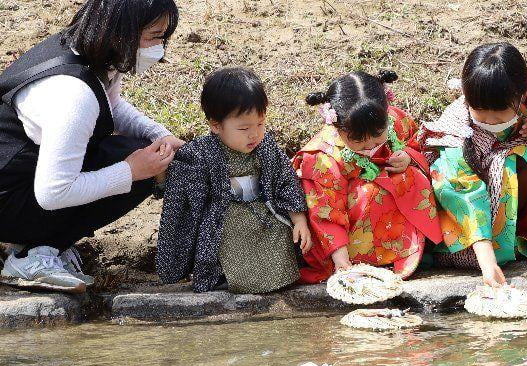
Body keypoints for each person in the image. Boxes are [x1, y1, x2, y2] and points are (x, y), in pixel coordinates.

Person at [0, 0, 183, 293]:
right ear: (123, 31)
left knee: (141, 149)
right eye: (156, 36)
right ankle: (32, 253)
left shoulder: (91, 51)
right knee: (137, 164)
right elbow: (52, 193)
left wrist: (158, 135)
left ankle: (35, 238)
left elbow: (111, 105)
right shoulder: (74, 95)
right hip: (10, 198)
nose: (160, 48)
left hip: (21, 177)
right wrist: (131, 171)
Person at [419, 42, 527, 287]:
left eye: (499, 113)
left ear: (521, 95)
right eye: (480, 111)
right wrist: (486, 260)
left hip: (516, 192)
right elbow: (461, 192)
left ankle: (523, 238)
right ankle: (496, 245)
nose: (489, 120)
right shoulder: (457, 130)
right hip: (474, 222)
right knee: (505, 164)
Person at [156, 67, 311, 294]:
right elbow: (182, 192)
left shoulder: (266, 145)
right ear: (216, 125)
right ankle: (227, 277)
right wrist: (162, 175)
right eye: (243, 128)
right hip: (224, 216)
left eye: (260, 124)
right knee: (228, 237)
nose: (254, 134)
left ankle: (277, 277)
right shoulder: (201, 153)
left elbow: (285, 180)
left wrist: (299, 220)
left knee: (279, 232)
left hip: (264, 210)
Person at [293, 70, 443, 283]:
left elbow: (416, 142)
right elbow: (326, 208)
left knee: (409, 177)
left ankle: (413, 247)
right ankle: (360, 259)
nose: (371, 144)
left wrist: (408, 157)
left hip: (393, 216)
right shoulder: (323, 157)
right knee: (371, 192)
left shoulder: (395, 120)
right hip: (351, 226)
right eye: (358, 139)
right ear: (337, 125)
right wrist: (341, 260)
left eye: (377, 134)